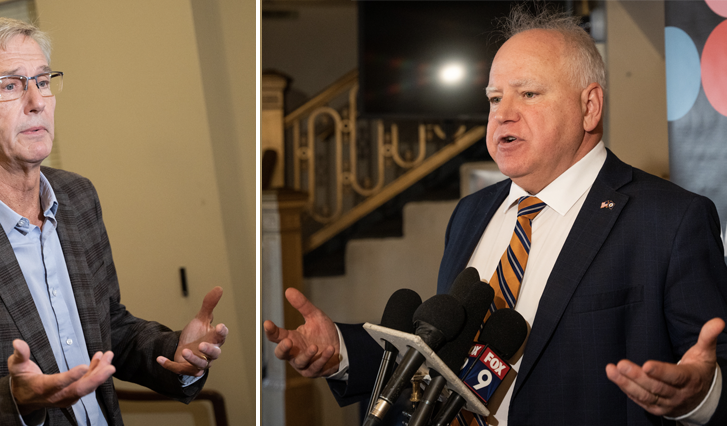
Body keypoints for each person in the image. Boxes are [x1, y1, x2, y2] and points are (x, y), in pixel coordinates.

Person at [264, 7, 727, 425]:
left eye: (527, 94)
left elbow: (710, 367)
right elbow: (442, 353)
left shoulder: (671, 220)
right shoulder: (471, 213)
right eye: (493, 98)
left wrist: (698, 397)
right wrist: (340, 351)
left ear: (590, 107)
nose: (503, 115)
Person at [0, 16, 228, 426]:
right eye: (10, 85)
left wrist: (175, 353)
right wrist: (14, 401)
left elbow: (107, 325)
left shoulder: (78, 197)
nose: (37, 101)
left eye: (42, 81)